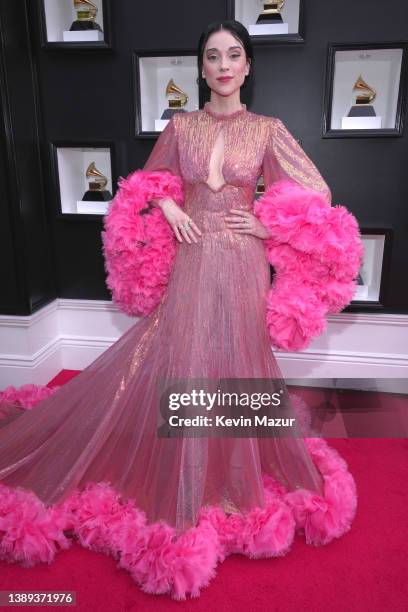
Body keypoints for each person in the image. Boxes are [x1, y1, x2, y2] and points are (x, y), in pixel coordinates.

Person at [0, 20, 360, 601]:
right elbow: (150, 180)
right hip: (193, 257)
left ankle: (229, 473)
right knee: (187, 350)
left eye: (233, 55)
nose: (222, 65)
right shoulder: (181, 126)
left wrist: (269, 223)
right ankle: (186, 475)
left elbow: (315, 191)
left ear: (247, 67)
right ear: (201, 68)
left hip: (243, 260)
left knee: (240, 354)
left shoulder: (267, 130)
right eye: (212, 56)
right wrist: (167, 205)